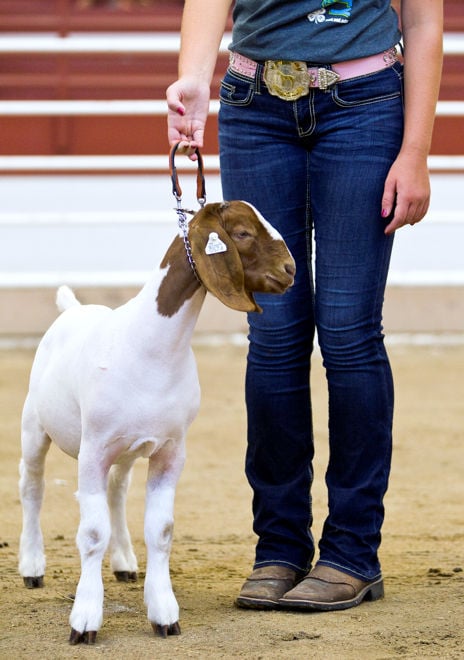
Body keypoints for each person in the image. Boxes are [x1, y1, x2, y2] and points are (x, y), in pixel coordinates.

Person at [166, 0, 443, 612]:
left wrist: (416, 150)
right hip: (253, 106)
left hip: (365, 106)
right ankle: (279, 547)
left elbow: (423, 21)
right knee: (273, 337)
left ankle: (351, 553)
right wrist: (194, 74)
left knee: (348, 333)